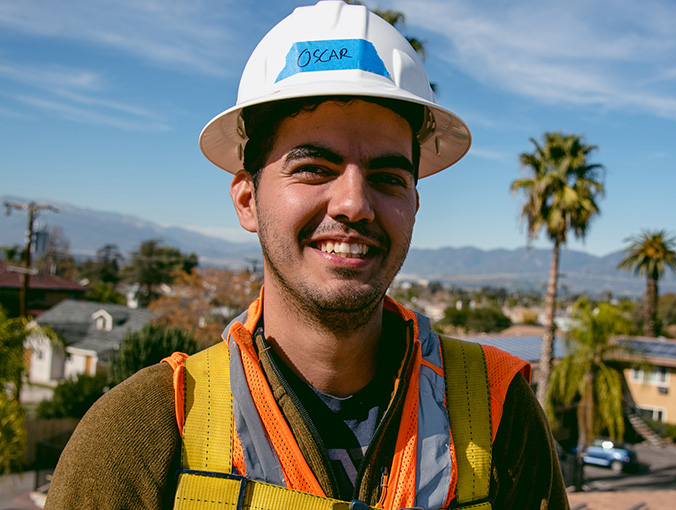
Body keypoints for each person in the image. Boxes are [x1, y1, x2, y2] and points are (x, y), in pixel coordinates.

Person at [45, 2, 568, 509]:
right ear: (248, 199)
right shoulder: (147, 432)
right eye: (314, 167)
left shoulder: (497, 409)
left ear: (413, 203)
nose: (354, 204)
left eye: (388, 177)